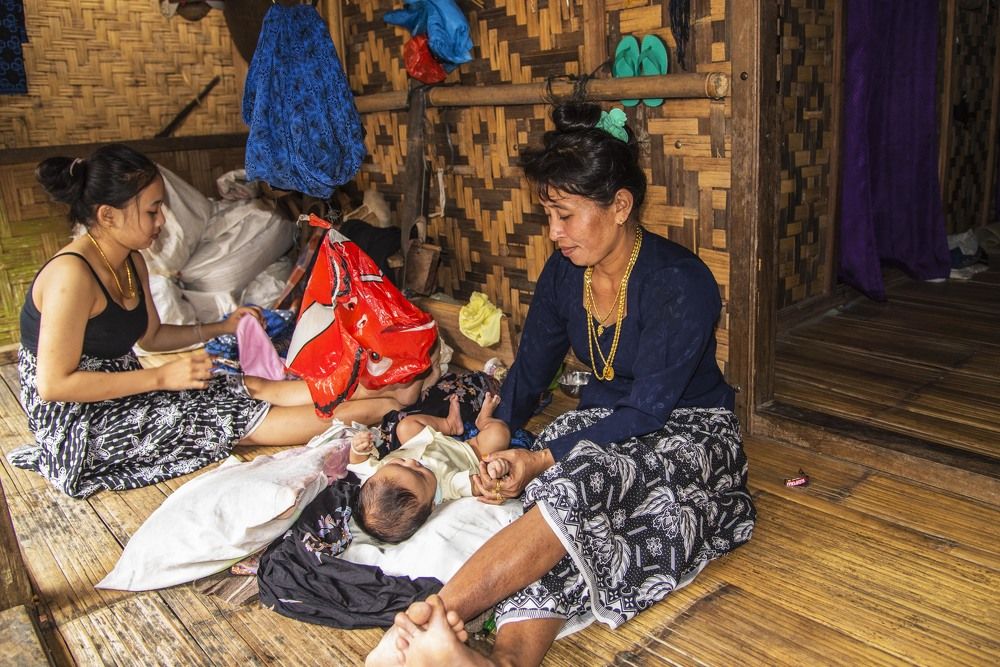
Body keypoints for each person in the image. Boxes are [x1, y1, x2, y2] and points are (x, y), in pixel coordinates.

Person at [367, 103, 756, 666]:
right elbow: (530, 370)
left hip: (690, 431)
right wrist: (494, 435)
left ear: (620, 206)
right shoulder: (563, 273)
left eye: (566, 215)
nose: (554, 232)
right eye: (548, 214)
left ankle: (426, 622)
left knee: (575, 485)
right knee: (566, 530)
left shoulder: (680, 283)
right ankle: (501, 660)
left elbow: (647, 413)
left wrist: (541, 458)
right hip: (605, 421)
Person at [6, 144, 421, 499]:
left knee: (231, 383)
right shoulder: (71, 276)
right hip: (79, 424)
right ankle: (373, 410)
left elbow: (150, 337)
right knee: (210, 416)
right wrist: (160, 379)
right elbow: (54, 385)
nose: (162, 221)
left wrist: (222, 327)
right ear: (108, 215)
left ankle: (372, 391)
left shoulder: (130, 259)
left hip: (118, 393)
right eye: (152, 211)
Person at [349, 392, 511, 543]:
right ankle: (484, 420)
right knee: (499, 434)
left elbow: (359, 464)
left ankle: (449, 425)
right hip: (467, 451)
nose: (412, 462)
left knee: (405, 426)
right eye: (420, 474)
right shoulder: (448, 486)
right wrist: (494, 471)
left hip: (424, 441)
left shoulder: (378, 475)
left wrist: (358, 448)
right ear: (432, 503)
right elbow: (480, 484)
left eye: (399, 462)